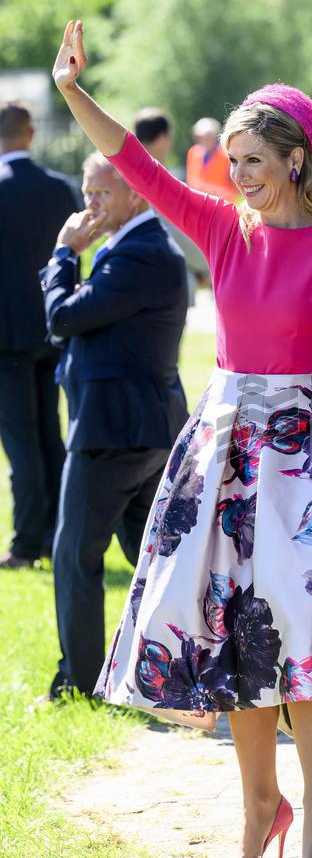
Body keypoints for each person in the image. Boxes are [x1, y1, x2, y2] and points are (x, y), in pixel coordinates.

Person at [52, 20, 312, 858]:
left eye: (256, 160)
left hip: (305, 458)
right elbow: (137, 166)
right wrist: (73, 91)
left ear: (296, 159)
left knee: (303, 629)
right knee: (227, 631)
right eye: (236, 161)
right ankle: (260, 809)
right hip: (221, 456)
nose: (240, 175)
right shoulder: (220, 229)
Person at [40, 149, 189, 699]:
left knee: (75, 557)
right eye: (87, 193)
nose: (90, 206)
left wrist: (62, 254)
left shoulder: (142, 254)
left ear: (138, 195)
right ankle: (180, 668)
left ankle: (79, 683)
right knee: (148, 559)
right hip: (135, 430)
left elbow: (62, 318)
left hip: (114, 433)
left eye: (102, 193)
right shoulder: (132, 247)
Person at [0, 101, 78, 569]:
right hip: (52, 328)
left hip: (5, 336)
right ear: (30, 134)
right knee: (51, 434)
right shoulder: (60, 189)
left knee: (21, 442)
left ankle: (29, 542)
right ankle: (56, 533)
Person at [134, 107, 209, 303]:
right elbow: (173, 232)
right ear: (162, 138)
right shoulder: (154, 178)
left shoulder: (126, 170)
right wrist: (206, 266)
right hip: (160, 284)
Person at [186, 116, 237, 202]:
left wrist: (207, 189)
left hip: (221, 204)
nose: (206, 140)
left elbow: (234, 188)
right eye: (202, 137)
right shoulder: (193, 152)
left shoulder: (226, 156)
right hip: (198, 202)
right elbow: (190, 180)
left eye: (209, 137)